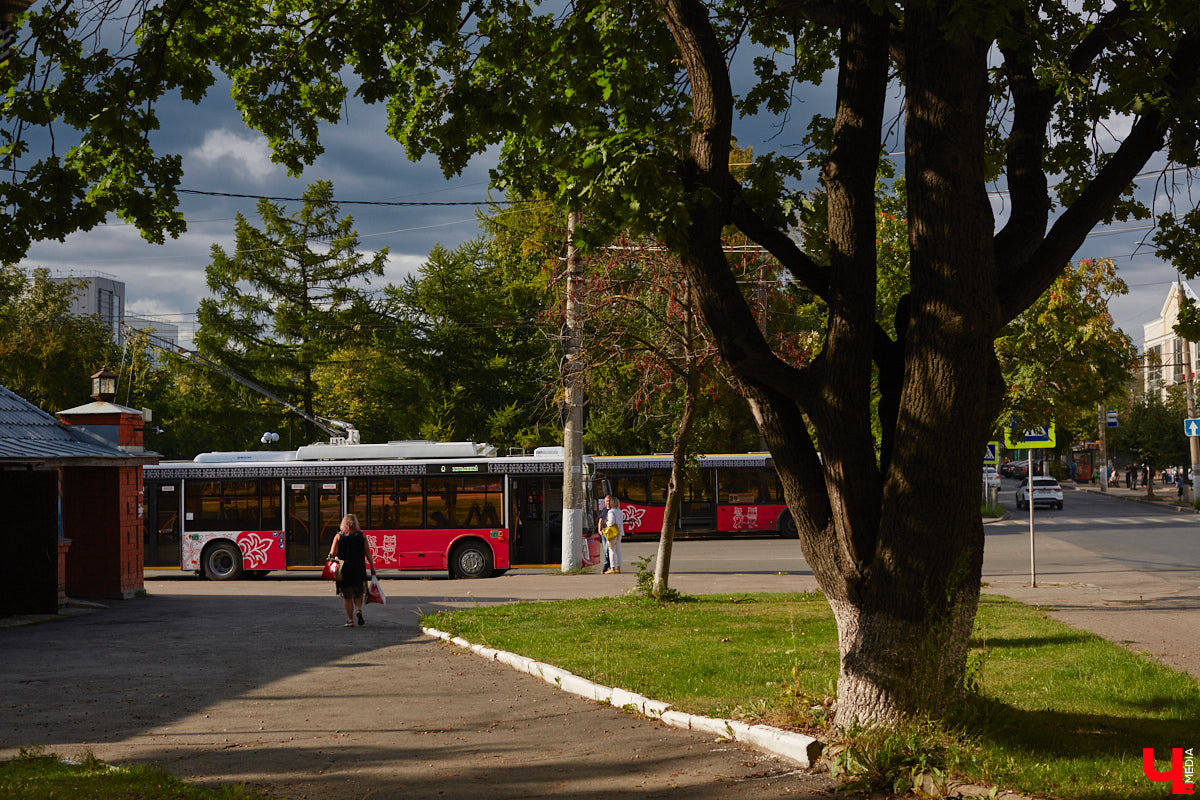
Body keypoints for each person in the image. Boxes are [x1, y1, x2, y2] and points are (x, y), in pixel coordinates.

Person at [328, 513, 376, 627]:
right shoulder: (361, 536)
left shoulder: (338, 536)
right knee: (358, 593)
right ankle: (358, 610)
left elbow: (332, 553)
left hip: (344, 569)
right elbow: (367, 552)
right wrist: (373, 567)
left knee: (347, 596)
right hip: (359, 567)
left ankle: (350, 620)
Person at [597, 495, 625, 575]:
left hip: (613, 533)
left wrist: (606, 522)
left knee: (611, 550)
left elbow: (611, 522)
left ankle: (612, 568)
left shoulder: (611, 511)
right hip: (619, 532)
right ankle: (618, 568)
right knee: (618, 551)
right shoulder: (620, 511)